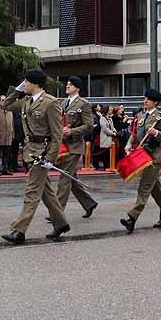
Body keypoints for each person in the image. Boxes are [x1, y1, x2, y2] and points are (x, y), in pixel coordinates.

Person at [1, 69, 70, 244]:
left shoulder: (50, 103)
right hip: (30, 151)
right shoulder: (26, 101)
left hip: (42, 154)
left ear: (34, 83)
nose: (25, 85)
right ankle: (61, 223)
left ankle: (19, 230)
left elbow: (57, 134)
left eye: (26, 82)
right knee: (46, 192)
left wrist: (50, 158)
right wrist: (17, 89)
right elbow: (6, 105)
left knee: (32, 192)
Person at [120, 88, 161, 234]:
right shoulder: (142, 115)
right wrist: (129, 143)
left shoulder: (160, 117)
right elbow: (136, 133)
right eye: (144, 98)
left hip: (154, 158)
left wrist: (156, 133)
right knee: (156, 190)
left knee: (144, 187)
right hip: (143, 155)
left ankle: (132, 217)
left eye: (148, 99)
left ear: (155, 102)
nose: (145, 101)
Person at [54, 77, 97, 216]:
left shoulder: (83, 104)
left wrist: (72, 131)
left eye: (70, 84)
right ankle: (89, 203)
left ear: (77, 88)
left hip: (74, 145)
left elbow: (89, 126)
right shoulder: (64, 103)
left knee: (64, 178)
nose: (67, 86)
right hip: (63, 145)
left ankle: (57, 211)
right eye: (67, 84)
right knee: (71, 179)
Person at [95, 104, 115, 171]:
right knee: (105, 153)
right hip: (105, 137)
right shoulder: (102, 118)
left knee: (110, 153)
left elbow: (112, 126)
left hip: (110, 137)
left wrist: (115, 131)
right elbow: (105, 128)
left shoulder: (110, 118)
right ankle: (106, 166)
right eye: (109, 109)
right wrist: (112, 133)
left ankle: (110, 165)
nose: (111, 111)